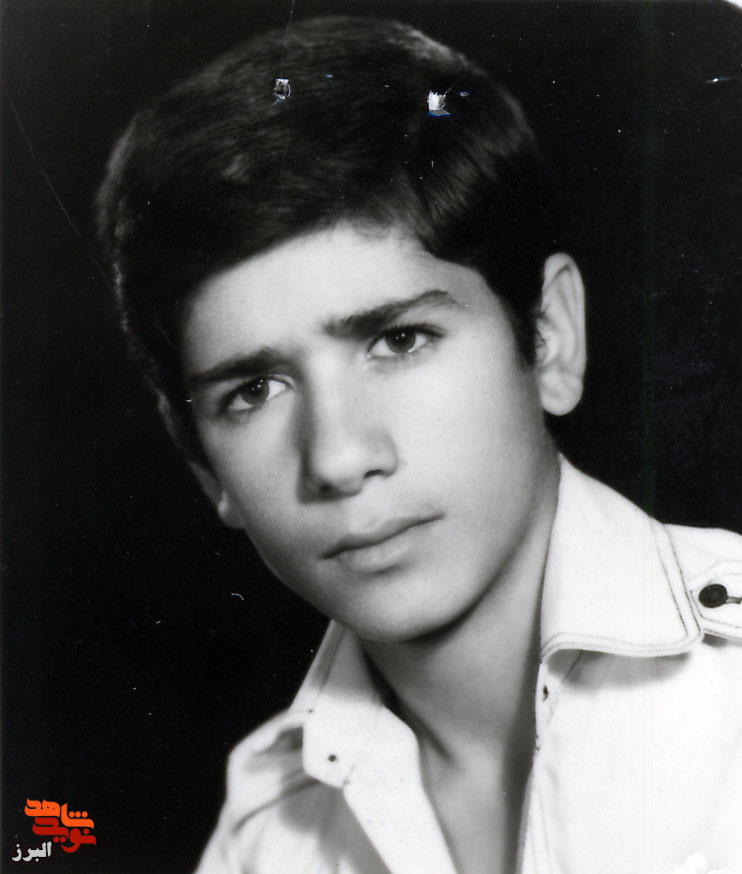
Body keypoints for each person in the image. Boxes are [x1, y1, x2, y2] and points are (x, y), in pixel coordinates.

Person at [95, 16, 742, 874]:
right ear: (203, 465)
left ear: (549, 337)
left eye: (398, 340)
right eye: (253, 390)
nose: (337, 458)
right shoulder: (265, 843)